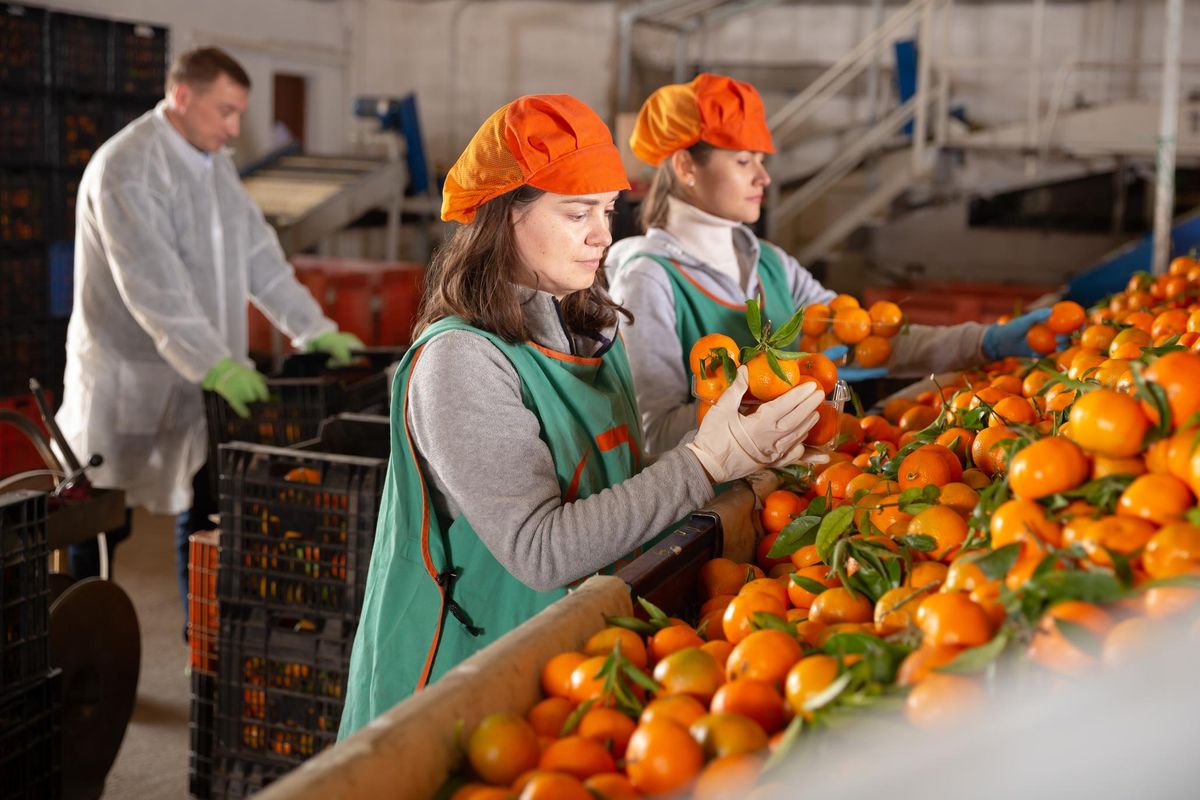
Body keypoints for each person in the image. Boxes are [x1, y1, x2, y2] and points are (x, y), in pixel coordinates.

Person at [338, 94, 828, 736]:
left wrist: (744, 452)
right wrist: (705, 461)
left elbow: (615, 479)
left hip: (568, 666)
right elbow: (539, 550)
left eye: (606, 210)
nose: (604, 234)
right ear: (502, 217)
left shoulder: (589, 328)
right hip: (465, 686)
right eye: (577, 213)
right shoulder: (461, 361)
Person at [54, 47, 362, 624]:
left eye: (239, 113)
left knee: (201, 511)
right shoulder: (128, 167)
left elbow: (258, 258)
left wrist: (312, 328)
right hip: (131, 376)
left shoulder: (211, 160)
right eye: (225, 111)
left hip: (203, 371)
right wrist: (214, 364)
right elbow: (153, 286)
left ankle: (204, 649)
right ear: (182, 95)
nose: (234, 128)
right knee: (100, 521)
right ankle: (79, 646)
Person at [606, 73, 1055, 456]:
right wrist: (768, 394)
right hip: (715, 517)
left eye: (761, 162)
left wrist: (986, 341)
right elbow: (655, 434)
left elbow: (871, 343)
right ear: (686, 165)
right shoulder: (650, 278)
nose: (763, 178)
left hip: (796, 486)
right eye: (743, 161)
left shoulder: (772, 266)